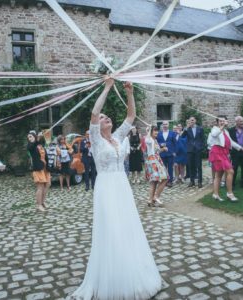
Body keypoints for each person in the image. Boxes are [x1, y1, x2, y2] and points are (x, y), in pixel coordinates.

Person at [71, 79, 162, 299]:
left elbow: (130, 116)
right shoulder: (96, 140)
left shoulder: (118, 137)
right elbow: (94, 114)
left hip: (122, 186)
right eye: (103, 119)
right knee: (111, 227)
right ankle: (113, 276)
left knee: (126, 226)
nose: (105, 118)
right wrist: (107, 88)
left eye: (106, 117)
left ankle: (131, 269)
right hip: (106, 188)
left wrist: (129, 93)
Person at [208, 116, 243, 202]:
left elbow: (231, 142)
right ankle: (230, 193)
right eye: (220, 121)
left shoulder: (226, 131)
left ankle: (215, 194)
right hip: (217, 152)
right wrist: (222, 126)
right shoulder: (215, 129)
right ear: (217, 122)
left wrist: (242, 148)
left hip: (224, 153)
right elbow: (214, 134)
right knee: (231, 171)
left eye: (224, 121)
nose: (222, 122)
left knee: (219, 175)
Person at [27, 131, 51, 212]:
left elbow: (45, 156)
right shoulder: (30, 146)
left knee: (47, 184)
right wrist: (37, 139)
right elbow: (32, 146)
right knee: (40, 187)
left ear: (34, 136)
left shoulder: (40, 145)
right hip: (38, 168)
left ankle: (43, 202)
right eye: (28, 137)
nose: (29, 138)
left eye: (31, 136)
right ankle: (39, 205)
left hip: (45, 168)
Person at [145, 125, 168, 206]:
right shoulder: (150, 139)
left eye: (157, 131)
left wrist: (163, 149)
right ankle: (156, 196)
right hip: (153, 162)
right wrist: (148, 130)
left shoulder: (155, 140)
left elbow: (156, 152)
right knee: (165, 178)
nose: (156, 132)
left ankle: (150, 200)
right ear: (151, 132)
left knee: (154, 181)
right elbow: (147, 140)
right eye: (155, 130)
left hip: (156, 159)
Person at [229, 116, 243, 188]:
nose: (242, 123)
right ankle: (232, 184)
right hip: (235, 152)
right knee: (234, 168)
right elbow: (229, 142)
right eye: (240, 121)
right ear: (236, 122)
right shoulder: (230, 130)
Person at [182, 116, 205, 188]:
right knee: (191, 166)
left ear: (195, 120)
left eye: (193, 120)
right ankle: (192, 181)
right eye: (190, 120)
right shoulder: (187, 129)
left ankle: (200, 182)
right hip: (190, 150)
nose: (191, 121)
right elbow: (182, 136)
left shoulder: (200, 128)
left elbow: (203, 139)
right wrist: (186, 128)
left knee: (199, 166)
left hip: (198, 150)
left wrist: (201, 147)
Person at [156, 121, 177, 187]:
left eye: (166, 124)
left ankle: (170, 181)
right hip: (162, 153)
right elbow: (156, 142)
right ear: (162, 125)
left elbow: (175, 143)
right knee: (163, 168)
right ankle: (164, 181)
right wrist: (160, 144)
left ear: (168, 125)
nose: (165, 125)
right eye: (164, 124)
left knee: (170, 168)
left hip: (170, 153)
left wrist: (174, 152)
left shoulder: (172, 133)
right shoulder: (159, 133)